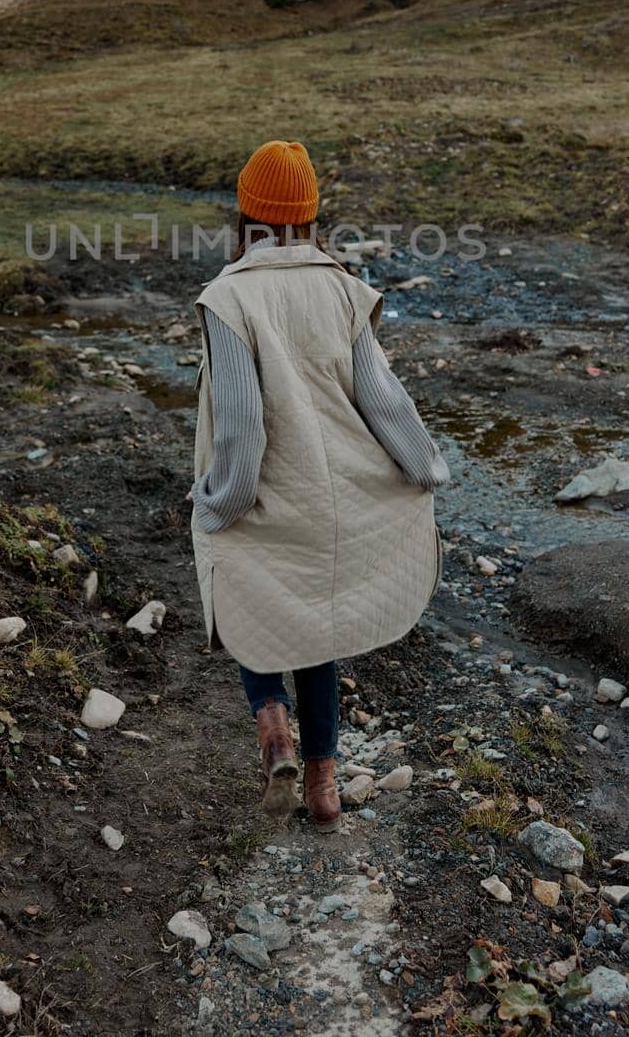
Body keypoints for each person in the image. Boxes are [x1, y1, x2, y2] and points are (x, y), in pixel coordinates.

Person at [187, 139, 451, 833]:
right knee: (317, 635)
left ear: (244, 212)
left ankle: (273, 727)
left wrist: (222, 502)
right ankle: (324, 786)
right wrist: (424, 470)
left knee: (251, 592)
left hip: (269, 495)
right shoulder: (340, 286)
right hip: (337, 496)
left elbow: (241, 426)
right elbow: (383, 400)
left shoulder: (228, 296)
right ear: (307, 215)